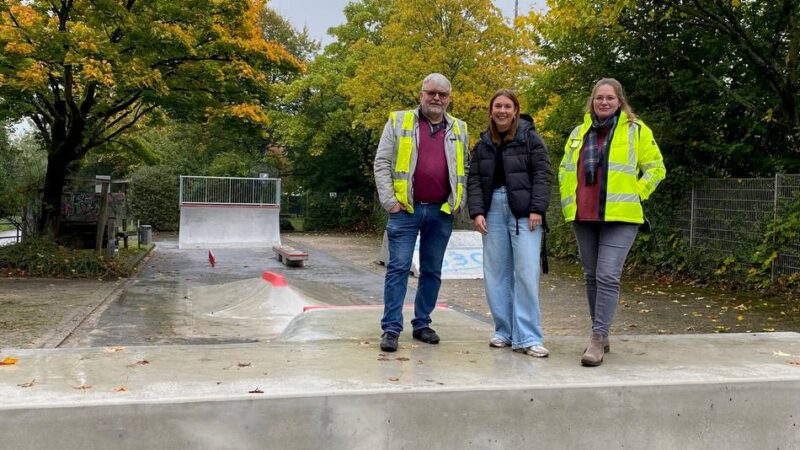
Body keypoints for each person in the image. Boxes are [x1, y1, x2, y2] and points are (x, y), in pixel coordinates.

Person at [559, 78, 666, 366]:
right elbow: (565, 169)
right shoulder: (578, 132)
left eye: (609, 98)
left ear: (620, 101)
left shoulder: (636, 130)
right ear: (592, 101)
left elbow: (656, 169)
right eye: (598, 98)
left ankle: (596, 338)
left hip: (621, 216)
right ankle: (601, 334)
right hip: (585, 215)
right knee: (592, 276)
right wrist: (568, 201)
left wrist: (637, 194)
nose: (603, 102)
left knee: (607, 275)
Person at [373, 73, 470, 352]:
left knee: (432, 271)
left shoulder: (460, 128)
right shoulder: (399, 120)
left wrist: (457, 202)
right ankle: (391, 328)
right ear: (421, 94)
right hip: (405, 210)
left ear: (449, 98)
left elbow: (464, 167)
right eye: (431, 92)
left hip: (441, 212)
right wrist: (389, 201)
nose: (436, 98)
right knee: (398, 267)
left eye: (442, 94)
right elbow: (381, 162)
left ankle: (422, 324)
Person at [467, 89, 552, 357]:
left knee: (526, 272)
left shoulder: (531, 139)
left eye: (507, 106)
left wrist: (537, 208)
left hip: (524, 213)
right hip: (492, 209)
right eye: (497, 106)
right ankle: (504, 330)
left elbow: (542, 174)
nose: (502, 111)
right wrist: (477, 211)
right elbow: (474, 180)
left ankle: (528, 336)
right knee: (496, 273)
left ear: (515, 110)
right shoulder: (482, 144)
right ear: (491, 110)